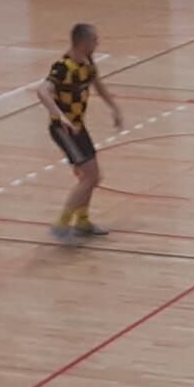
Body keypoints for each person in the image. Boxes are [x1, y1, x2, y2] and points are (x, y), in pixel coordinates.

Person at [36, 24, 123, 244]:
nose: (97, 43)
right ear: (83, 42)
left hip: (78, 127)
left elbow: (98, 84)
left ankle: (82, 221)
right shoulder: (63, 67)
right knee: (91, 177)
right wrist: (60, 116)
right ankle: (61, 225)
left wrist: (114, 108)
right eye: (94, 39)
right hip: (63, 129)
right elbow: (42, 91)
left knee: (91, 177)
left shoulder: (87, 63)